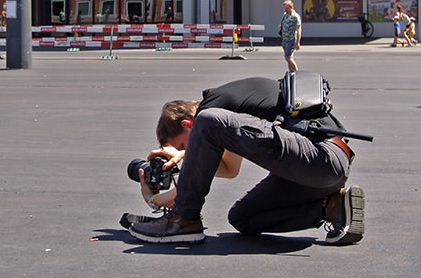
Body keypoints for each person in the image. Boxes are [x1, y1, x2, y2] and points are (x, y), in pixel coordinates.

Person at [128, 76, 364, 246]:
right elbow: (230, 169)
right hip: (314, 176)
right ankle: (331, 206)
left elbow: (207, 127)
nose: (184, 150)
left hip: (323, 156)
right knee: (242, 218)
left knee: (209, 120)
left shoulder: (210, 113)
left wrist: (152, 198)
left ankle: (184, 221)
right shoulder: (230, 116)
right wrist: (185, 157)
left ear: (187, 124)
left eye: (181, 144)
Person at [279, 0, 301, 70]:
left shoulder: (295, 16)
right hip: (284, 38)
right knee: (289, 58)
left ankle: (297, 71)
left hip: (291, 39)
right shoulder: (285, 14)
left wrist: (297, 42)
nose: (285, 9)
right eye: (285, 8)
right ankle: (291, 72)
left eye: (287, 8)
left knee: (287, 57)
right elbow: (282, 22)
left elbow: (299, 29)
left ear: (291, 7)